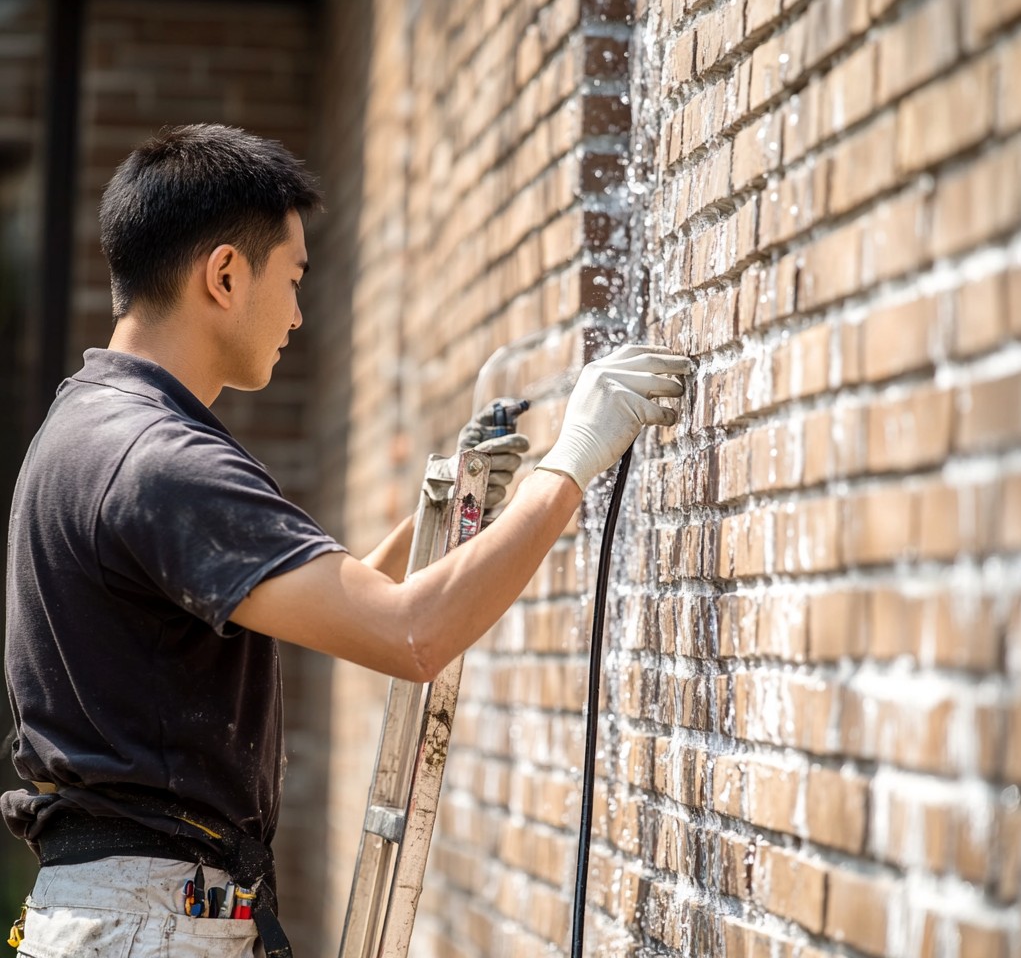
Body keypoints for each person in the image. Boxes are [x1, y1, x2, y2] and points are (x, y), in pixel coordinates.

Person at [2, 123, 691, 957]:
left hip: (119, 914)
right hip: (150, 926)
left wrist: (442, 509)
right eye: (293, 278)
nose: (298, 311)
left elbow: (332, 604)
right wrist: (576, 459)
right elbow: (409, 633)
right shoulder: (162, 461)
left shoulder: (90, 430)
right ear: (224, 274)